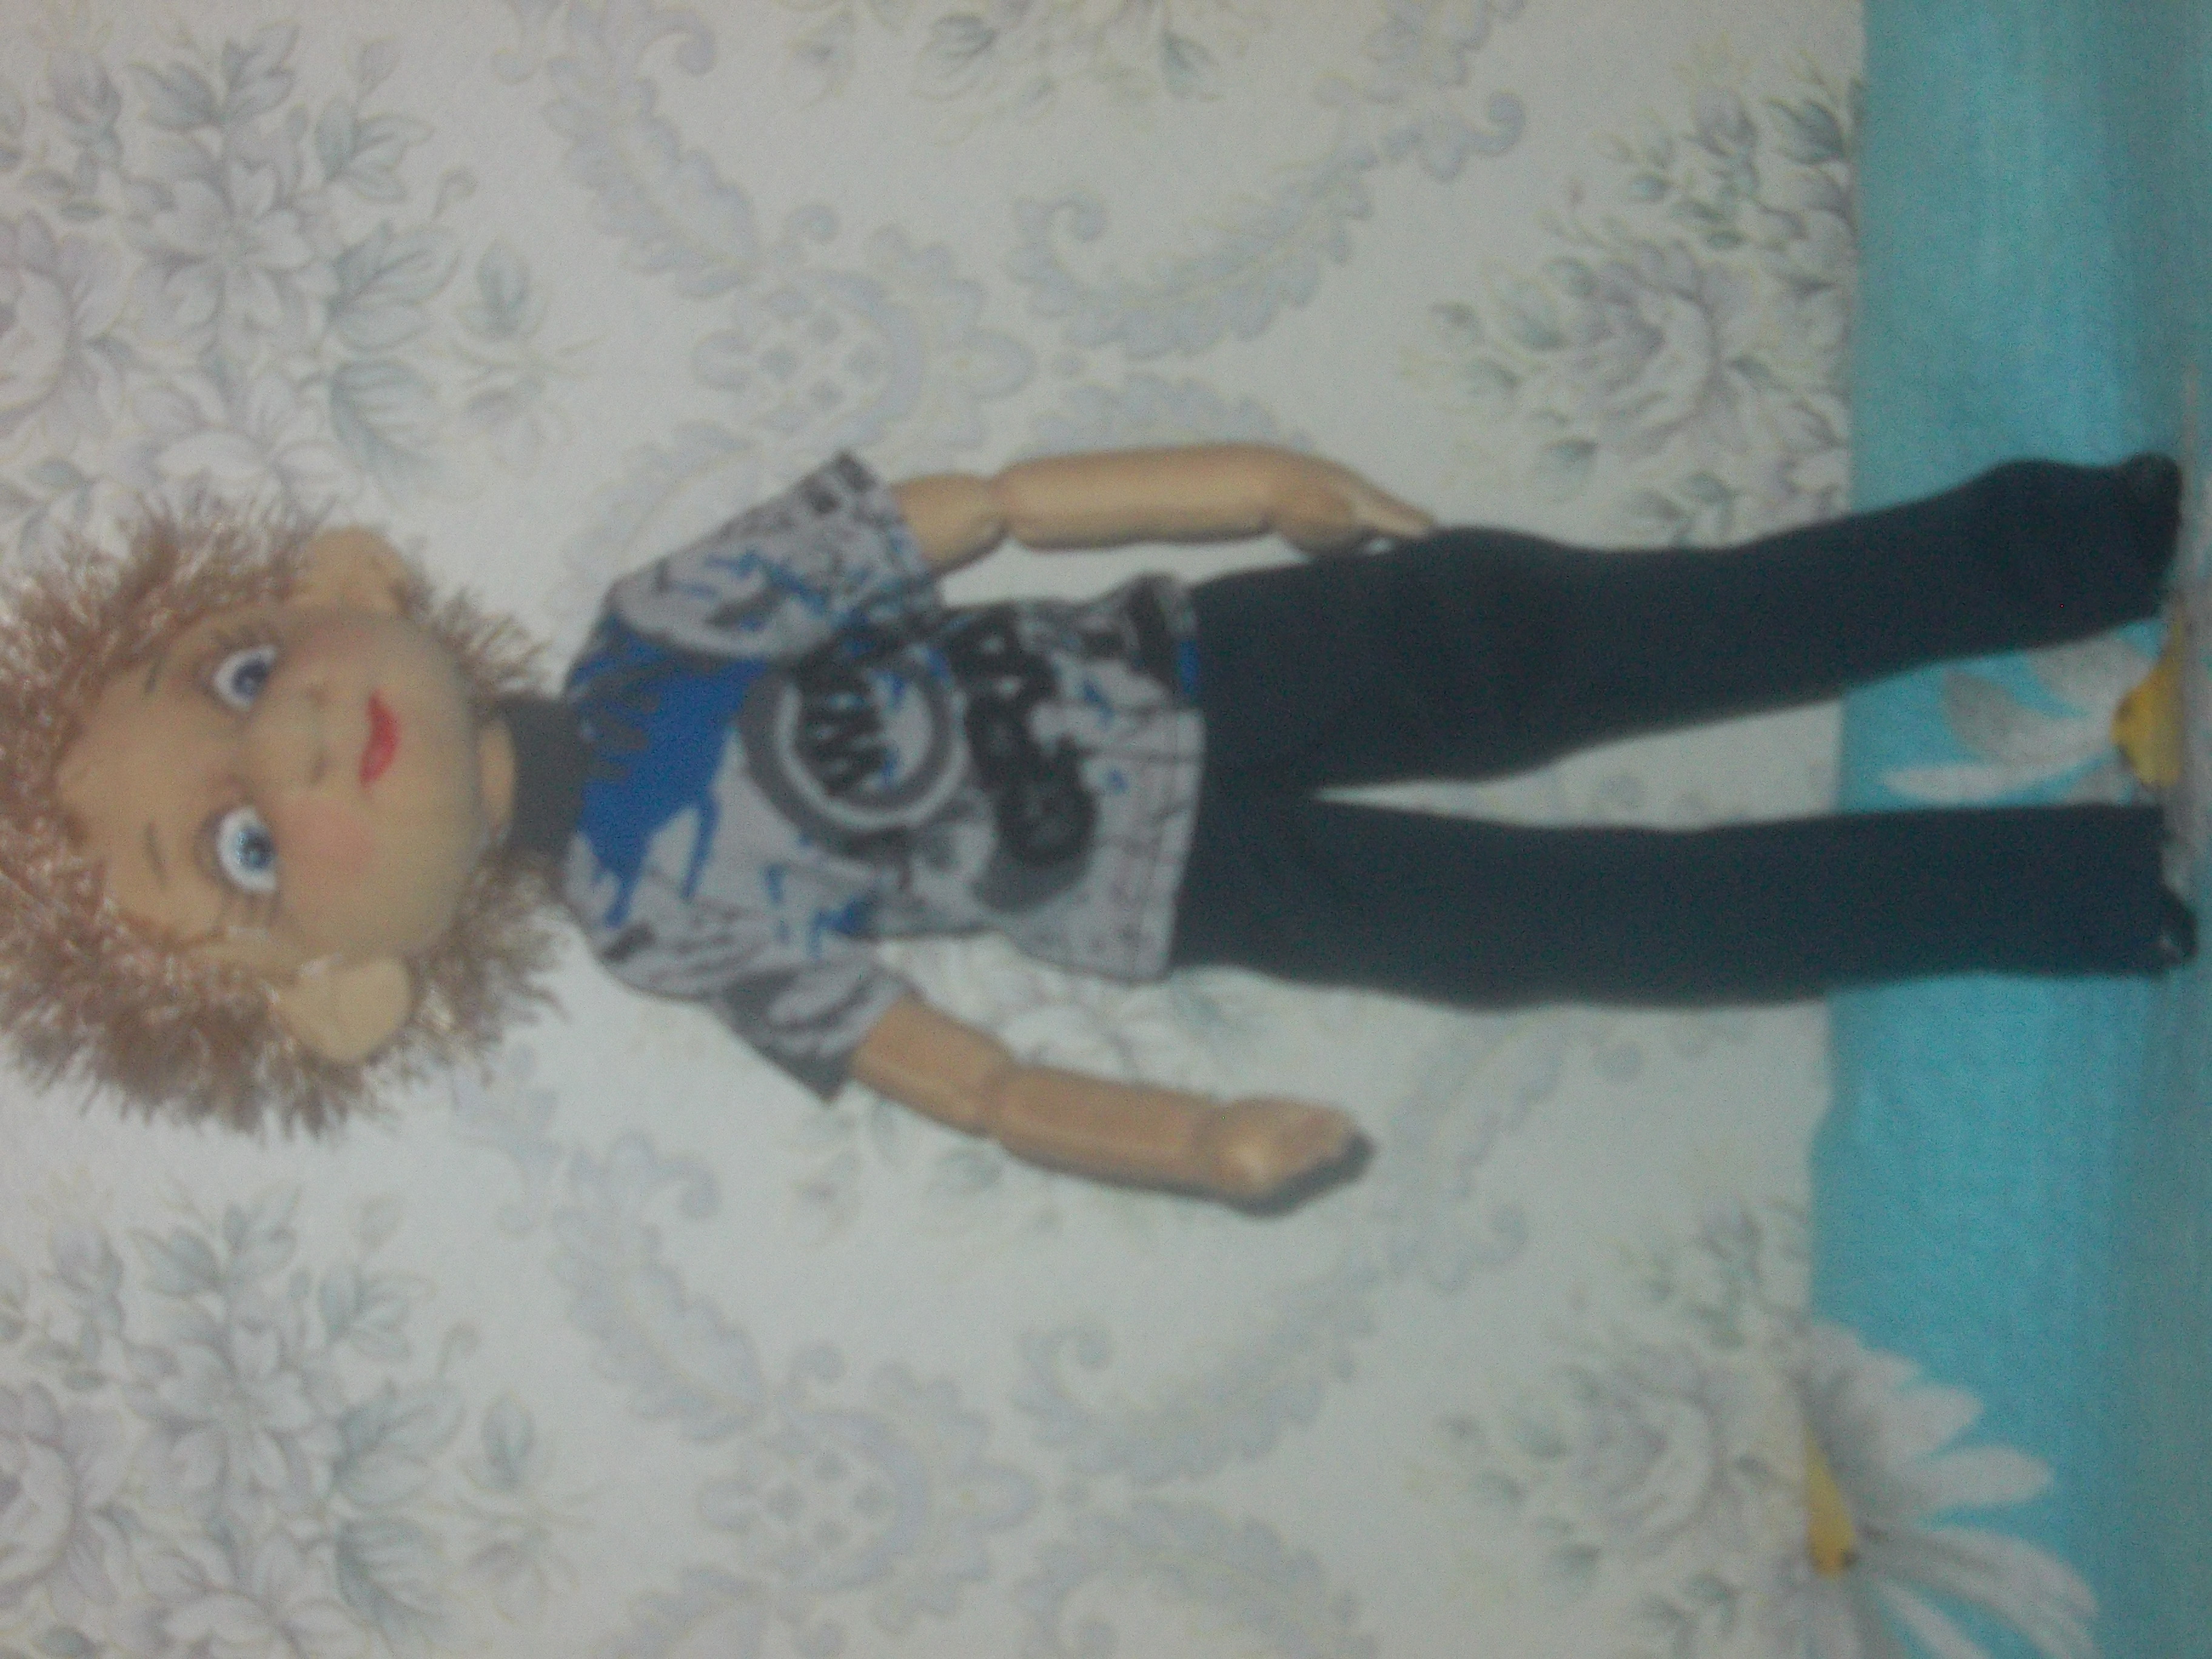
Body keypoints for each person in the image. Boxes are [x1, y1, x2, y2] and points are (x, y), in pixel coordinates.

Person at [10, 445, 2193, 1207]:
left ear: (342, 588)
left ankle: (2072, 545)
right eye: (244, 856)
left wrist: (1244, 478)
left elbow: (978, 510)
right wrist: (1180, 1140)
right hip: (1185, 888)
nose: (292, 752)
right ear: (349, 990)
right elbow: (947, 1068)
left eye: (240, 682)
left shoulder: (660, 619)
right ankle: (2074, 885)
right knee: (1568, 925)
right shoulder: (658, 923)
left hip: (1221, 657)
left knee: (1600, 631)